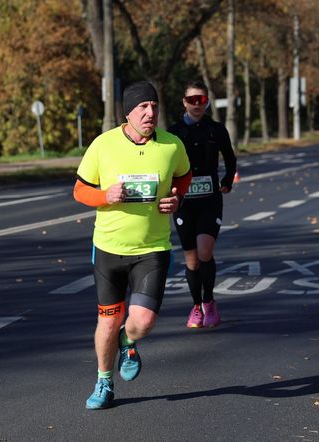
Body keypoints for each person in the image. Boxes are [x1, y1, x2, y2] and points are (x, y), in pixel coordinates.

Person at [73, 80, 192, 410]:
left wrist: (177, 198)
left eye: (154, 106)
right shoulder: (103, 145)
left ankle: (129, 341)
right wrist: (104, 196)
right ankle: (104, 383)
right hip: (109, 248)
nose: (150, 112)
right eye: (142, 107)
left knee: (142, 323)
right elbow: (80, 190)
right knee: (107, 321)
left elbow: (184, 175)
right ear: (127, 113)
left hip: (152, 248)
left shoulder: (171, 146)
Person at [167, 80, 236, 328]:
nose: (197, 104)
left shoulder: (216, 130)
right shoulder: (173, 133)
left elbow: (230, 158)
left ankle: (209, 302)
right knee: (192, 261)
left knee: (205, 251)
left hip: (210, 201)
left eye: (202, 100)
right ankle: (196, 307)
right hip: (184, 202)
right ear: (184, 102)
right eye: (192, 99)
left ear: (207, 102)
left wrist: (227, 180)